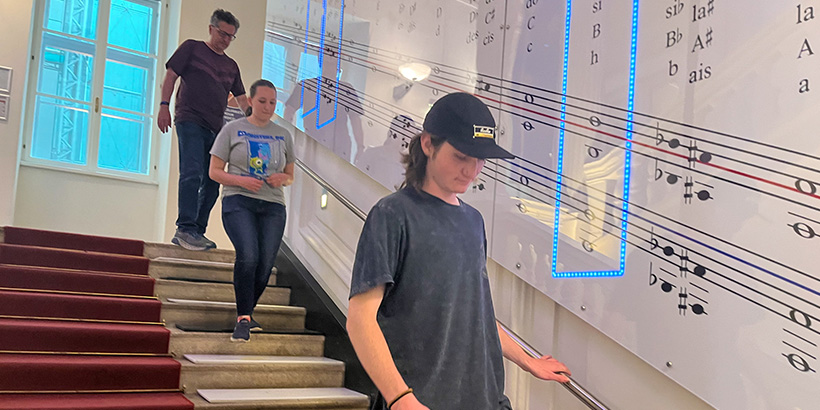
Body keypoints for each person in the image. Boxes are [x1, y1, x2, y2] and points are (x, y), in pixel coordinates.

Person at [346, 92, 571, 410]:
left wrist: (527, 361)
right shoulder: (392, 215)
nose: (473, 170)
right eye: (461, 157)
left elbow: (475, 313)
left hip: (484, 397)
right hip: (421, 399)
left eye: (480, 159)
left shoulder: (473, 221)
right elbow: (360, 320)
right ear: (428, 144)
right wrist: (399, 398)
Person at [208, 80, 294, 342]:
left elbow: (290, 175)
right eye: (262, 101)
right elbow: (214, 172)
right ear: (251, 102)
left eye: (272, 102)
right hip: (238, 201)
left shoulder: (283, 135)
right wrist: (242, 181)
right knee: (249, 255)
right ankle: (243, 318)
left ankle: (246, 309)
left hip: (273, 205)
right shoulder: (232, 130)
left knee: (266, 264)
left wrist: (283, 179)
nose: (267, 107)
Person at [157, 9, 250, 251]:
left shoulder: (231, 66)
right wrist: (164, 106)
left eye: (231, 36)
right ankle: (185, 227)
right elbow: (170, 76)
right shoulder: (192, 48)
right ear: (211, 29)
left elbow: (241, 99)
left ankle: (197, 230)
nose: (226, 39)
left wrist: (256, 121)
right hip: (189, 120)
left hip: (216, 128)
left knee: (212, 181)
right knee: (192, 172)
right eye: (222, 33)